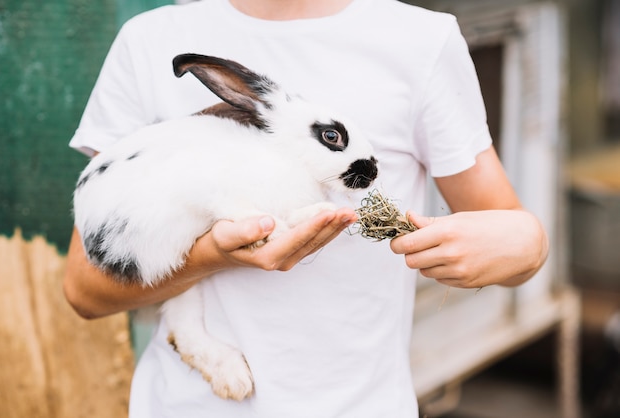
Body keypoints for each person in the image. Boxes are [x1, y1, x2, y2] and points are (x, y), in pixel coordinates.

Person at [63, 0, 549, 416]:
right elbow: (85, 290)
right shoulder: (149, 39)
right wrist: (215, 254)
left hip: (359, 406)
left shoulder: (421, 41)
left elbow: (511, 236)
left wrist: (527, 243)